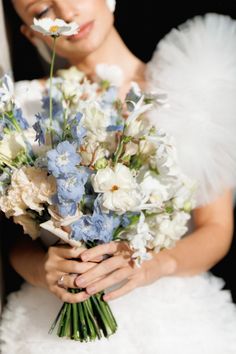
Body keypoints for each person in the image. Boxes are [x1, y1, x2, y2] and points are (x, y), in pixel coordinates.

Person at [1, 1, 236, 353]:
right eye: (43, 9)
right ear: (29, 31)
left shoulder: (189, 92)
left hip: (173, 321)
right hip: (54, 323)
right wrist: (42, 269)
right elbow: (14, 241)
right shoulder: (23, 107)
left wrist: (153, 266)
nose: (65, 12)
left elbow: (216, 227)